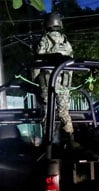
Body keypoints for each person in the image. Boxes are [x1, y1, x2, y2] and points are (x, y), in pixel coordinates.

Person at [34, 11, 75, 145]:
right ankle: (70, 138)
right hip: (64, 81)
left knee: (48, 111)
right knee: (64, 111)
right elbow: (71, 60)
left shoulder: (45, 40)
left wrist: (35, 80)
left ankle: (48, 142)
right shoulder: (65, 41)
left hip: (49, 81)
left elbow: (37, 60)